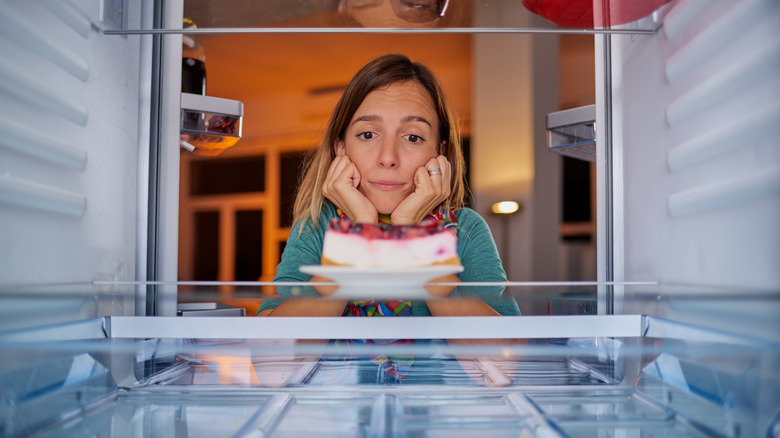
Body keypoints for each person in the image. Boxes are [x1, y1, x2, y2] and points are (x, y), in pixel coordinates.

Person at [257, 53, 520, 318]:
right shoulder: (316, 225)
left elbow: (504, 359)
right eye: (368, 134)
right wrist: (360, 232)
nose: (388, 158)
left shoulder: (466, 229)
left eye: (413, 137)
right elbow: (273, 358)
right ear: (341, 147)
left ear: (439, 153)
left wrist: (412, 232)